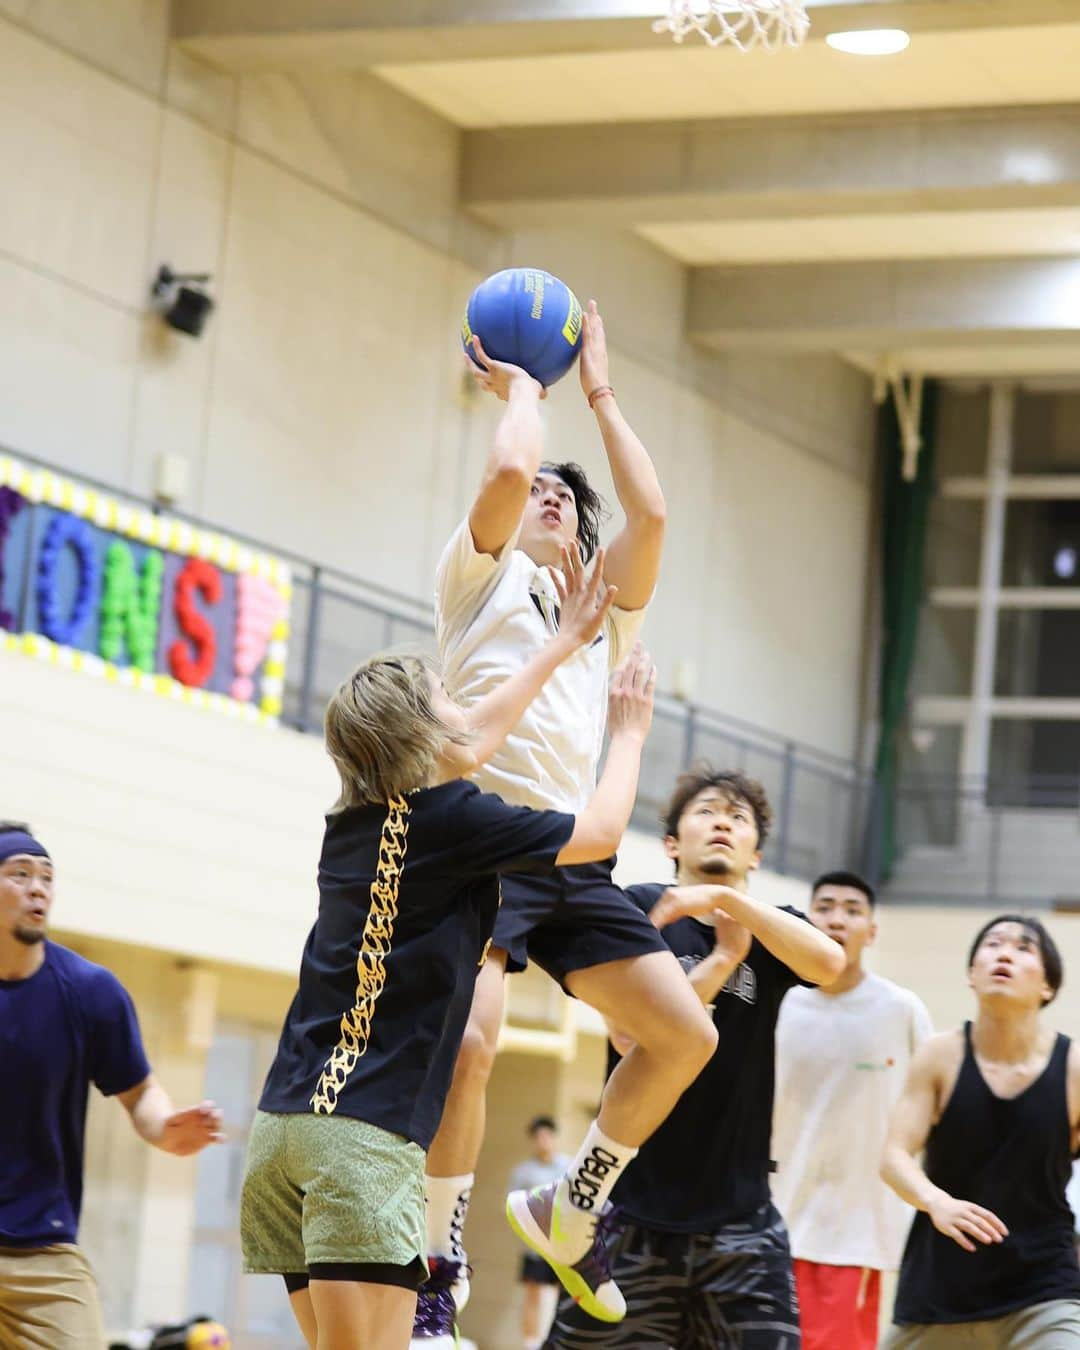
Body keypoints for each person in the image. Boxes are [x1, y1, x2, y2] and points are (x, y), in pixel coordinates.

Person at [239, 557, 661, 1350]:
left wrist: (563, 643)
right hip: (364, 1142)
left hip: (280, 1136)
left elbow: (475, 736)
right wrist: (630, 736)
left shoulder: (350, 823)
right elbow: (599, 833)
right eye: (446, 701)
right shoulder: (458, 820)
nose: (463, 710)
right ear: (425, 733)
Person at [417, 302, 717, 1340]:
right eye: (542, 487)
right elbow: (505, 477)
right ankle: (434, 1275)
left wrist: (598, 388)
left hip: (572, 849)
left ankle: (571, 1205)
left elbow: (657, 514)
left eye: (564, 496)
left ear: (586, 547)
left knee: (683, 1034)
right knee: (471, 1051)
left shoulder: (599, 613)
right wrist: (523, 390)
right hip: (478, 840)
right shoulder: (480, 576)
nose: (547, 491)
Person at [543, 767, 845, 1349]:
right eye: (707, 811)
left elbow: (830, 964)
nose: (724, 823)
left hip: (741, 1222)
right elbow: (630, 1039)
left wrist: (733, 904)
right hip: (627, 1214)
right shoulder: (637, 911)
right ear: (672, 843)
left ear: (756, 854)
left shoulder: (775, 929)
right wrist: (723, 963)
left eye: (740, 818)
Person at [0, 821, 224, 1349]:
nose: (39, 888)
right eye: (21, 874)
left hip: (43, 1254)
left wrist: (164, 1130)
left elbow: (139, 1092)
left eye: (47, 877)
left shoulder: (89, 992)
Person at [881, 914, 1080, 1348]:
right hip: (939, 1293)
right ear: (972, 975)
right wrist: (937, 1203)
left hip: (1043, 1291)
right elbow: (893, 1157)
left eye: (1024, 947)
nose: (1004, 953)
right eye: (992, 944)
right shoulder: (939, 1056)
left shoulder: (1074, 1068)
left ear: (1048, 986)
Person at [772, 870, 933, 1350]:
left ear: (872, 930)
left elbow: (934, 1110)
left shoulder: (901, 1009)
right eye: (824, 907)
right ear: (805, 919)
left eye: (852, 910)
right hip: (769, 1222)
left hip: (857, 1233)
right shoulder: (778, 1004)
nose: (837, 919)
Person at [508, 1117, 570, 1350]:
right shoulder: (523, 1172)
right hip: (534, 1244)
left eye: (547, 1136)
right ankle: (530, 1343)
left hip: (561, 1243)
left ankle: (556, 1341)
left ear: (554, 1138)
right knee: (532, 1294)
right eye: (539, 1137)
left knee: (561, 1295)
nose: (543, 1141)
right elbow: (513, 1206)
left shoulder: (568, 1166)